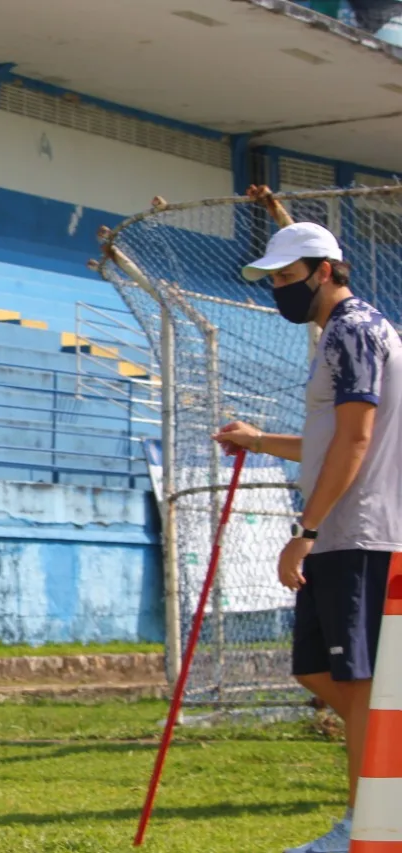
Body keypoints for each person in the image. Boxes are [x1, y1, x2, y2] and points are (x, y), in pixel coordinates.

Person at [213, 221, 402, 853]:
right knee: (320, 673)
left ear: (325, 270)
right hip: (347, 532)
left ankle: (366, 831)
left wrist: (306, 531)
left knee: (359, 687)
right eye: (271, 281)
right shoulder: (347, 334)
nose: (278, 291)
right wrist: (260, 441)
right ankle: (379, 808)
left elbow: (356, 442)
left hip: (358, 533)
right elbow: (331, 439)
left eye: (287, 278)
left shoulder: (352, 331)